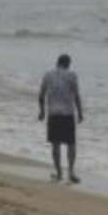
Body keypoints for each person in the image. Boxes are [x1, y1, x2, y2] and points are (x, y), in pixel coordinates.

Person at [38, 53, 84, 183]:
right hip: (67, 114)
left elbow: (41, 95)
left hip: (53, 114)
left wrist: (42, 112)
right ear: (68, 64)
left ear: (57, 62)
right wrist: (80, 113)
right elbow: (76, 96)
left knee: (55, 145)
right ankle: (70, 172)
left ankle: (58, 173)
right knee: (71, 144)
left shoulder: (47, 75)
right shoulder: (72, 75)